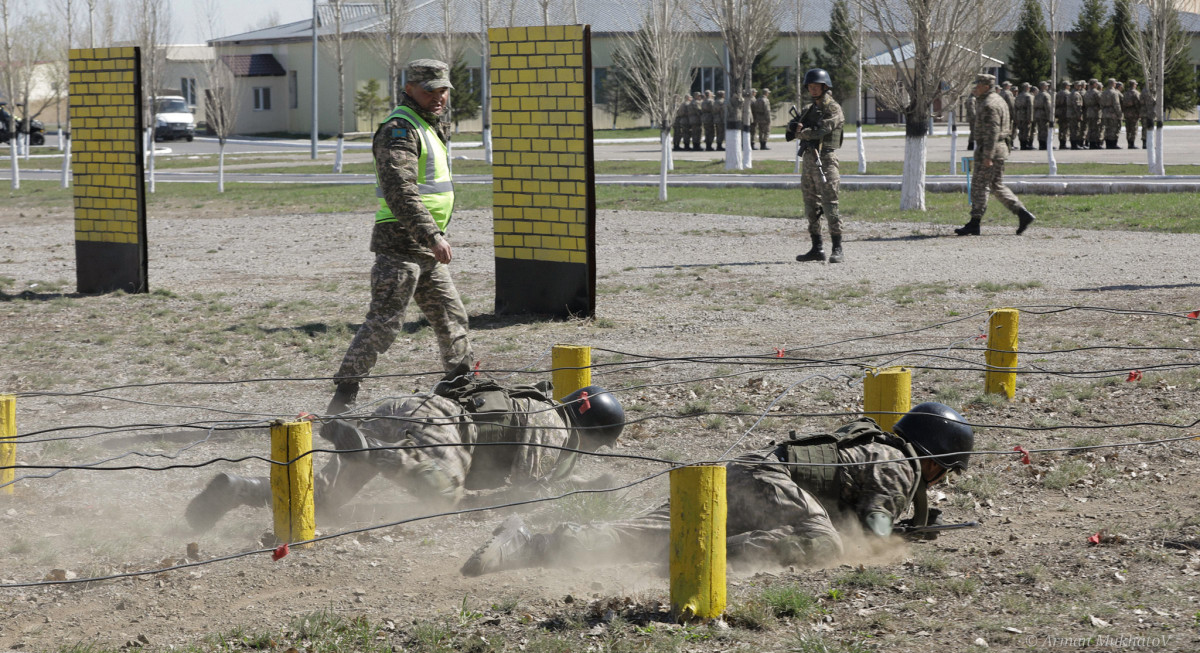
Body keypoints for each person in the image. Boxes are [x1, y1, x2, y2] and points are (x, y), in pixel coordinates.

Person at [460, 402, 974, 576]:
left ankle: (526, 542)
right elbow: (874, 528)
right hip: (769, 483)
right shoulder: (900, 461)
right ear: (934, 458)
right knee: (825, 545)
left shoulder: (878, 446)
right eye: (944, 471)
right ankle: (701, 561)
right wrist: (900, 536)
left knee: (647, 533)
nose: (939, 481)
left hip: (754, 480)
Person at [185, 381, 626, 532]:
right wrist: (575, 491)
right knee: (442, 491)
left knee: (324, 499)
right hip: (441, 424)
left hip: (400, 407)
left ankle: (239, 489)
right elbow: (525, 493)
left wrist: (583, 486)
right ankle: (372, 452)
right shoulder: (553, 424)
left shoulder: (541, 405)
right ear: (590, 433)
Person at [327, 60, 473, 416]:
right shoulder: (399, 129)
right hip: (401, 246)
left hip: (425, 249)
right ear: (410, 90)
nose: (439, 97)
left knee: (452, 319)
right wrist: (432, 235)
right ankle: (342, 399)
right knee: (384, 324)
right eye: (430, 90)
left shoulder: (430, 124)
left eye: (443, 90)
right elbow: (400, 191)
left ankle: (463, 391)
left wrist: (432, 240)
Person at [955, 73, 1036, 237]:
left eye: (978, 85)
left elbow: (992, 131)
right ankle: (1021, 213)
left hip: (990, 149)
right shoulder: (999, 100)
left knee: (979, 186)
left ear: (986, 86)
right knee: (995, 185)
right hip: (998, 149)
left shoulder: (988, 104)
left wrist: (987, 156)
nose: (975, 87)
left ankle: (975, 222)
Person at [786, 68, 845, 264]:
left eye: (816, 86)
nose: (812, 89)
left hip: (825, 160)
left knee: (830, 204)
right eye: (810, 86)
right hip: (809, 160)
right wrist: (793, 128)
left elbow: (824, 128)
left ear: (824, 86)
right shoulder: (810, 109)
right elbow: (795, 127)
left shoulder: (833, 107)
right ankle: (816, 248)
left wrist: (802, 133)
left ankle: (837, 248)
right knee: (811, 205)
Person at [1100, 78, 1122, 149]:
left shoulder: (1104, 92)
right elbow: (1116, 104)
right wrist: (1119, 113)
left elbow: (1101, 104)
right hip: (1112, 113)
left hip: (1105, 112)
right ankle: (1113, 144)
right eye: (1115, 83)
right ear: (1113, 84)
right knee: (1113, 129)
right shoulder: (1114, 93)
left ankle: (1108, 144)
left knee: (1107, 128)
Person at [1013, 82, 1033, 150]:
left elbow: (1015, 107)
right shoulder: (1028, 96)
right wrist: (1030, 118)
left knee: (1021, 130)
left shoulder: (1018, 96)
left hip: (1019, 115)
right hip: (1025, 115)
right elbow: (1030, 108)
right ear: (1027, 88)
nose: (1030, 88)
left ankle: (1022, 144)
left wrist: (1015, 117)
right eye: (1029, 87)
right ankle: (1025, 144)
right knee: (1026, 130)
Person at [1122, 79, 1141, 150]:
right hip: (1134, 114)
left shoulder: (1126, 93)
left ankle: (1129, 143)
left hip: (1127, 113)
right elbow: (1137, 104)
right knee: (1134, 129)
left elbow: (1123, 103)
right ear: (1134, 85)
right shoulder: (1135, 93)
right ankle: (1132, 144)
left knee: (1128, 129)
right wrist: (1139, 112)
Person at [1083, 78, 1102, 149]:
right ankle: (1094, 144)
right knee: (1096, 128)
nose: (1097, 85)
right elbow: (1100, 102)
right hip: (1095, 111)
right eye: (1096, 84)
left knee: (1090, 128)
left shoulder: (1087, 92)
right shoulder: (1096, 92)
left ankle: (1090, 143)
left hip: (1089, 111)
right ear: (1094, 84)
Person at [1033, 81, 1051, 151]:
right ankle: (1044, 145)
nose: (1047, 87)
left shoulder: (1037, 95)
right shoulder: (1046, 95)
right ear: (1043, 86)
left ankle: (1041, 144)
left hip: (1038, 114)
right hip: (1043, 114)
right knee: (1045, 130)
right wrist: (1050, 117)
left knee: (1040, 130)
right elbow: (1048, 107)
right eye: (1046, 86)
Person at [1054, 80, 1071, 150]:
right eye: (1069, 85)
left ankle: (1061, 142)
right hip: (1065, 112)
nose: (1069, 87)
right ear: (1066, 86)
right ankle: (1063, 143)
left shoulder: (1058, 93)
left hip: (1059, 112)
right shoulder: (1067, 93)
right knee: (1065, 128)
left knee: (1060, 128)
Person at [1069, 81, 1086, 149]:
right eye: (1078, 86)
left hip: (1071, 114)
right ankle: (1075, 145)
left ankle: (1074, 144)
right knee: (1076, 129)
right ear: (1075, 86)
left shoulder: (1071, 93)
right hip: (1074, 114)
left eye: (1080, 86)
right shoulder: (1076, 94)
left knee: (1073, 129)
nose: (1080, 87)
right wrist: (1079, 114)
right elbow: (1077, 105)